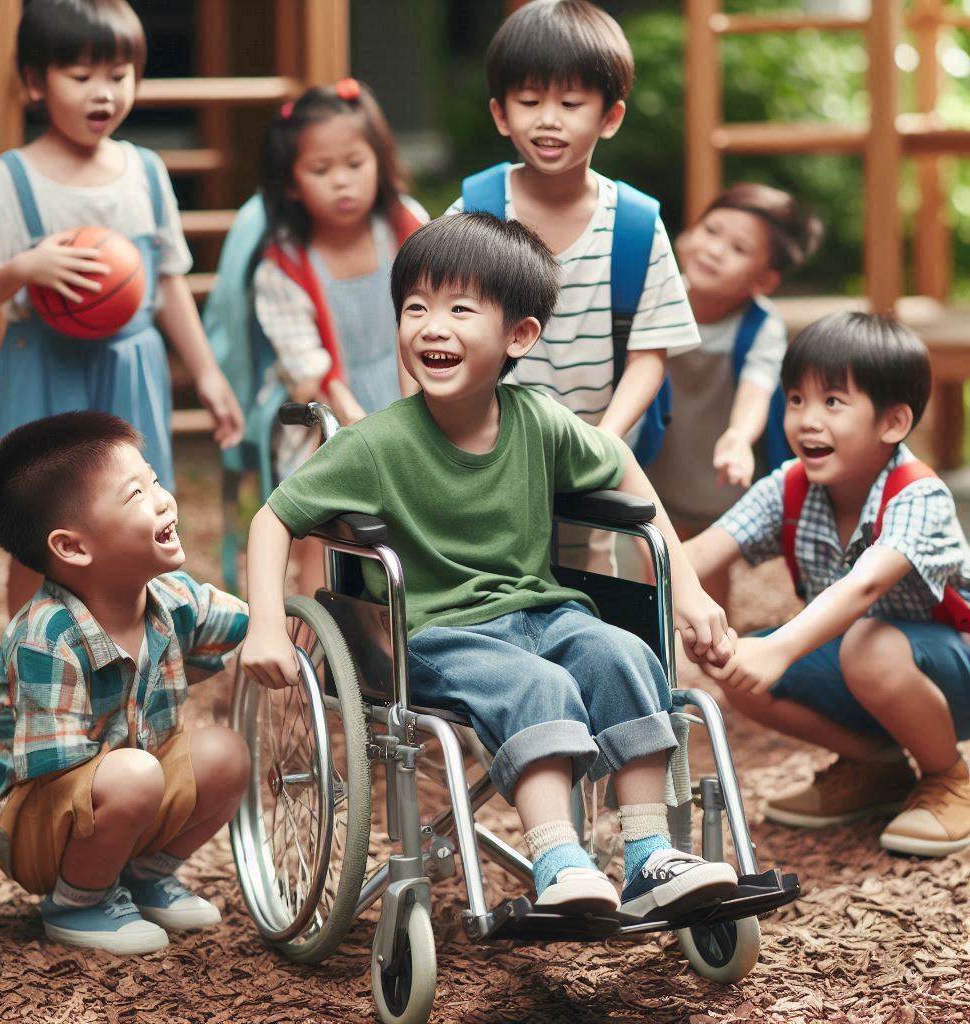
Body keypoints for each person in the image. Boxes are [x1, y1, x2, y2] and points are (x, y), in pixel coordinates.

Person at [241, 213, 738, 920]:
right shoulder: (376, 444)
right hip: (439, 634)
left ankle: (648, 854)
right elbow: (274, 518)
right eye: (416, 307)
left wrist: (683, 588)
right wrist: (266, 623)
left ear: (519, 336)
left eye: (459, 309)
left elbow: (621, 461)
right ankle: (559, 861)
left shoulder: (536, 418)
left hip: (544, 611)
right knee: (534, 685)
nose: (432, 327)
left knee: (623, 654)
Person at [0, 0, 244, 617]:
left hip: (130, 366)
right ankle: (28, 666)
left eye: (118, 75)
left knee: (136, 523)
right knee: (37, 534)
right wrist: (23, 269)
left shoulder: (145, 172)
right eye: (80, 76)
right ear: (35, 83)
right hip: (44, 366)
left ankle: (134, 662)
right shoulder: (14, 178)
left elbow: (168, 284)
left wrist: (208, 374)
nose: (103, 93)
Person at [687, 312, 970, 858]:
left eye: (832, 402)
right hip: (868, 666)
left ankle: (949, 774)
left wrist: (779, 646)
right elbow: (699, 554)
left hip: (951, 667)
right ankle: (877, 766)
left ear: (891, 423)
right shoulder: (789, 486)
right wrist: (679, 600)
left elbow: (865, 588)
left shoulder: (917, 495)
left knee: (867, 642)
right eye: (796, 400)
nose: (806, 421)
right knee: (728, 660)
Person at [0, 411, 251, 955]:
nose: (164, 499)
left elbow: (245, 624)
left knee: (225, 752)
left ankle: (141, 877)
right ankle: (79, 902)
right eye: (135, 495)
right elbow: (56, 771)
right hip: (34, 819)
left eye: (155, 480)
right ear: (74, 548)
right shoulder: (47, 636)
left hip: (119, 791)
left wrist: (296, 632)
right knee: (135, 774)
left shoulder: (169, 596)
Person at [445, 0, 700, 572]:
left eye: (570, 102)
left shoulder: (634, 224)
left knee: (591, 577)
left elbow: (650, 353)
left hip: (594, 449)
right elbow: (431, 325)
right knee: (489, 570)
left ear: (609, 117)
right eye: (530, 101)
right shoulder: (475, 212)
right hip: (488, 449)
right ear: (501, 113)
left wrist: (606, 439)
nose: (549, 120)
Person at [250, 77, 429, 595]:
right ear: (291, 183)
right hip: (326, 415)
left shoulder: (405, 226)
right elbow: (309, 368)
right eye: (321, 170)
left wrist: (414, 416)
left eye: (355, 164)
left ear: (380, 160)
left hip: (411, 391)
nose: (343, 182)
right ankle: (312, 638)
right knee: (319, 534)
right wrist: (357, 424)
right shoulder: (283, 263)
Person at [646, 183, 822, 604]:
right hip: (658, 454)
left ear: (764, 279)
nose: (714, 250)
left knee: (707, 566)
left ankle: (711, 650)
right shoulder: (655, 296)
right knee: (651, 554)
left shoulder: (761, 325)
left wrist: (740, 436)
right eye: (711, 230)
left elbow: (757, 387)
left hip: (717, 462)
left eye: (738, 248)